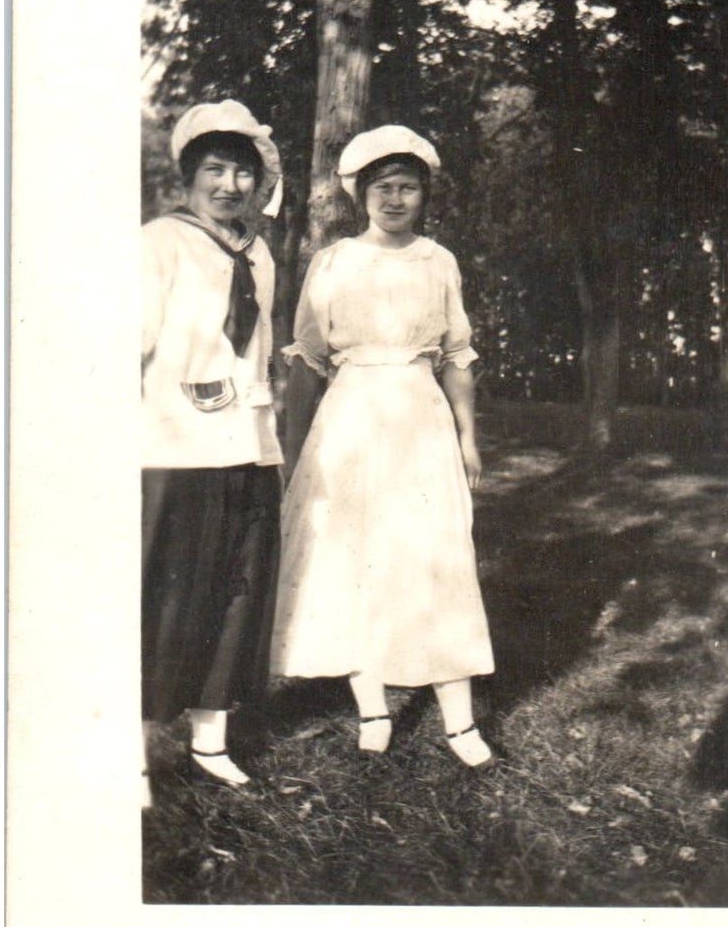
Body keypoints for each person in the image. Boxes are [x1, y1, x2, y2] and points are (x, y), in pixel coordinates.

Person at [271, 124, 496, 767]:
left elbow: (456, 357)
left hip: (420, 417)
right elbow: (309, 357)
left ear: (424, 194)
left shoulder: (438, 261)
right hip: (350, 420)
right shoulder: (335, 261)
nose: (394, 200)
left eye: (407, 188)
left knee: (434, 554)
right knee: (354, 556)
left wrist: (468, 438)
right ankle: (372, 706)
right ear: (360, 194)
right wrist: (297, 447)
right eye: (382, 188)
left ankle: (459, 721)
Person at [141, 99, 285, 790]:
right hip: (172, 448)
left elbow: (255, 352)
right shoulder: (159, 243)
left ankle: (209, 737)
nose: (230, 185)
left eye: (242, 173)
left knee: (237, 590)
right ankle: (131, 751)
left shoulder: (257, 251)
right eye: (215, 170)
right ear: (189, 175)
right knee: (165, 598)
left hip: (249, 446)